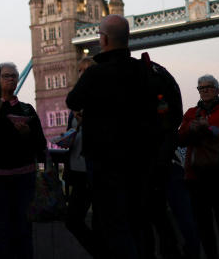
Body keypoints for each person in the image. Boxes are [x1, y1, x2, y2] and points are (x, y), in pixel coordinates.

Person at [65, 14, 158, 259]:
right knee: (137, 221)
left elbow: (72, 100)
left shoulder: (96, 74)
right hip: (140, 159)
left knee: (113, 224)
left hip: (105, 162)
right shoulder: (144, 70)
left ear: (103, 39)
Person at [0, 62, 46, 259]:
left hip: (23, 178)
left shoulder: (27, 110)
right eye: (6, 76)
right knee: (2, 232)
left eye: (13, 76)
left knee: (23, 231)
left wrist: (28, 133)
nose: (11, 79)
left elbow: (40, 144)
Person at [178, 74, 219, 259]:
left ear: (217, 90)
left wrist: (207, 126)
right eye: (201, 88)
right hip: (196, 177)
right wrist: (193, 128)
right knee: (203, 225)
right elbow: (180, 138)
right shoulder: (191, 112)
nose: (205, 90)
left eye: (209, 87)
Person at [64, 56, 100, 257]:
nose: (83, 73)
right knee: (72, 220)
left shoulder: (103, 100)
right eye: (80, 70)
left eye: (88, 69)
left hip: (96, 170)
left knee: (100, 222)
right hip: (77, 170)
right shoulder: (75, 104)